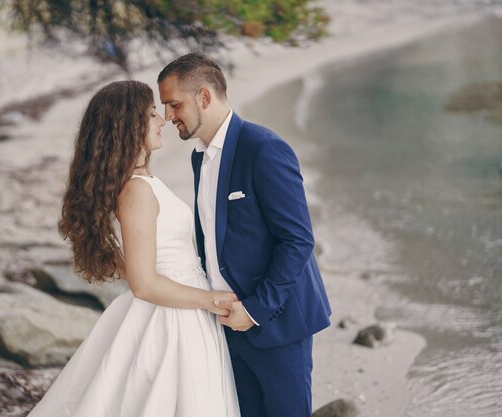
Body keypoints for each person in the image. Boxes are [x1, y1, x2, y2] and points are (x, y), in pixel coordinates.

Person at [27, 80, 241, 417]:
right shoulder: (137, 191)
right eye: (153, 114)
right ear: (128, 128)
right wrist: (211, 300)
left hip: (178, 305)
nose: (163, 121)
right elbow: (143, 283)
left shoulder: (134, 184)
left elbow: (129, 266)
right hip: (174, 316)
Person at [158, 53, 332, 417]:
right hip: (226, 324)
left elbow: (297, 240)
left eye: (174, 104)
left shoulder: (264, 149)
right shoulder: (198, 158)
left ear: (204, 97)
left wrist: (254, 311)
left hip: (276, 323)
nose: (168, 116)